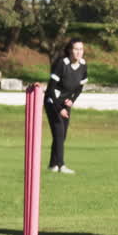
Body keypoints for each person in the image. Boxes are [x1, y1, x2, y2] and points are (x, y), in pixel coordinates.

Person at [43, 38, 88, 174]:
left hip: (65, 103)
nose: (78, 52)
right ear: (69, 50)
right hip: (53, 102)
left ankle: (53, 165)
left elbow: (80, 87)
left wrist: (72, 100)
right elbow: (50, 89)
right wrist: (60, 108)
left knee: (62, 136)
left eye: (81, 49)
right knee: (59, 133)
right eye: (76, 49)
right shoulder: (62, 64)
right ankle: (61, 165)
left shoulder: (83, 65)